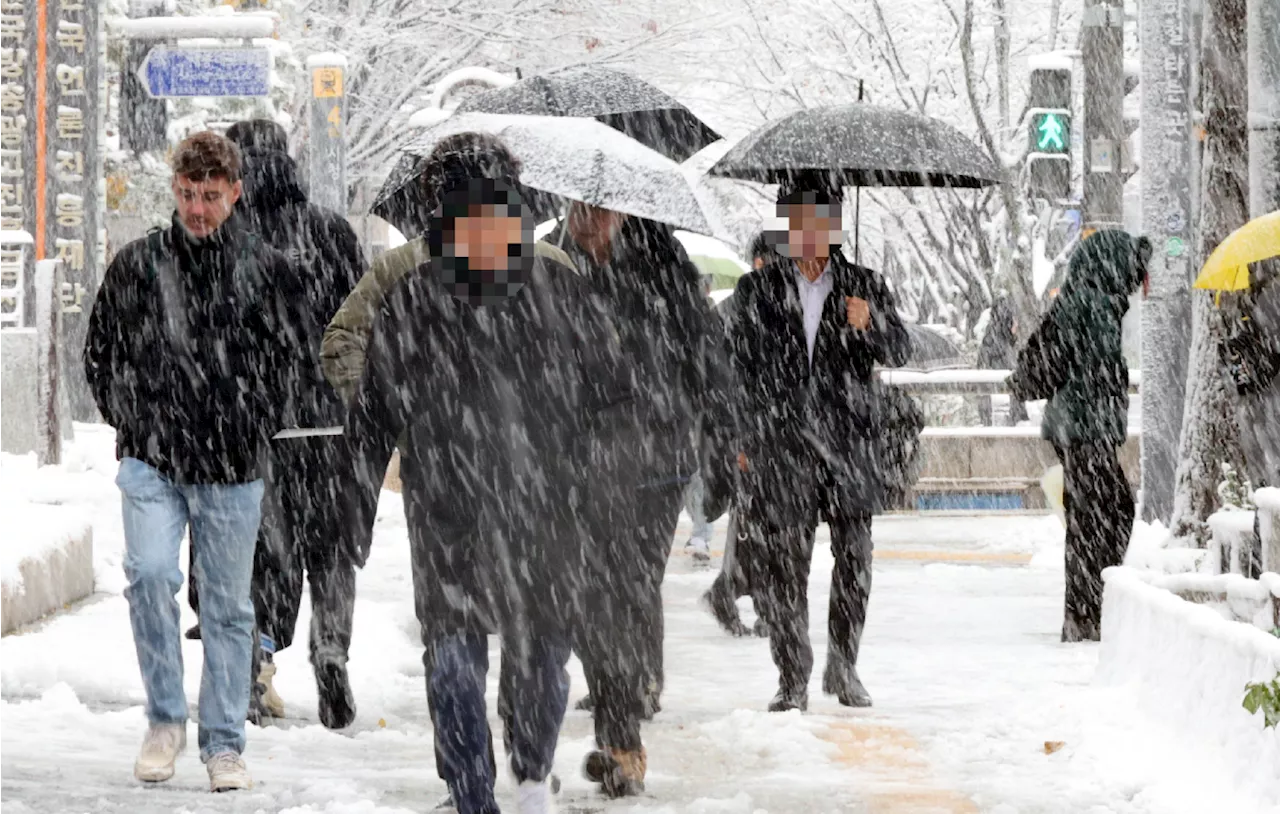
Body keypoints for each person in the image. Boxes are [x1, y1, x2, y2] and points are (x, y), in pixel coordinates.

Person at [341, 140, 629, 814]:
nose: (481, 229)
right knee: (451, 670)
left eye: (493, 212)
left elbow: (615, 401)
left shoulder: (560, 290)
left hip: (546, 512)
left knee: (540, 665)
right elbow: (373, 417)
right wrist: (348, 522)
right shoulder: (413, 301)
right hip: (447, 514)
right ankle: (472, 796)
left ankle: (531, 777)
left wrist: (606, 497)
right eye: (463, 215)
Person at [84, 131, 300, 792]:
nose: (197, 209)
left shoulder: (266, 268)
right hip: (153, 455)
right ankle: (166, 719)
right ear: (173, 190)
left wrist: (251, 418)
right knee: (149, 575)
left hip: (233, 464)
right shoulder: (139, 265)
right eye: (187, 195)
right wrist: (134, 415)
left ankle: (225, 742)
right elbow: (101, 352)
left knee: (230, 608)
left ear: (235, 193)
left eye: (209, 196)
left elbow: (288, 362)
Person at [182, 119, 368, 727]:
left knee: (263, 549)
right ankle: (332, 649)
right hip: (330, 421)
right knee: (332, 543)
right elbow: (363, 321)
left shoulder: (226, 236)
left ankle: (257, 664)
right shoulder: (331, 232)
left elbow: (201, 335)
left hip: (252, 421)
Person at [547, 205, 720, 796]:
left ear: (620, 208)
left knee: (627, 588)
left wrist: (720, 435)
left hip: (655, 458)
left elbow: (705, 349)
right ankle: (619, 729)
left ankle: (627, 724)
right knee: (592, 596)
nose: (584, 221)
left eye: (596, 210)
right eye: (575, 209)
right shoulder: (551, 261)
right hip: (582, 457)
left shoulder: (661, 258)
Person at [730, 174, 910, 712]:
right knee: (786, 567)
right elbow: (737, 366)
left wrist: (870, 322)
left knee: (855, 558)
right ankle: (792, 677)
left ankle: (844, 664)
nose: (808, 233)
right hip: (783, 445)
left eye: (818, 221)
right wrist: (741, 433)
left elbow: (899, 348)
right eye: (797, 221)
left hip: (848, 443)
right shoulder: (757, 290)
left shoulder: (864, 285)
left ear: (833, 225)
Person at [1008, 230, 1150, 642]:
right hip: (1082, 429)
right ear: (1113, 264)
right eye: (1135, 270)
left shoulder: (1093, 301)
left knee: (1095, 517)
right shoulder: (1089, 304)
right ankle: (1086, 610)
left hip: (1085, 429)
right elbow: (1081, 366)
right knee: (1102, 515)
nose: (1140, 281)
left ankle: (1086, 609)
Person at [703, 232, 776, 638]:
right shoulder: (743, 311)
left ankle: (735, 591)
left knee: (755, 520)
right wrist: (740, 439)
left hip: (752, 429)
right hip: (748, 431)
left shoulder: (742, 308)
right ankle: (742, 594)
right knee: (756, 520)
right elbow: (733, 379)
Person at [1221, 260, 1280, 577]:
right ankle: (1269, 571)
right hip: (1272, 411)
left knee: (1265, 493)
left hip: (1253, 411)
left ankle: (1262, 565)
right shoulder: (1272, 301)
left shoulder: (1241, 302)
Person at [976, 295, 1028, 426]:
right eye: (1015, 319)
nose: (1017, 324)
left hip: (999, 420)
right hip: (1001, 421)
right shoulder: (999, 347)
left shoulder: (998, 342)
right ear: (1007, 320)